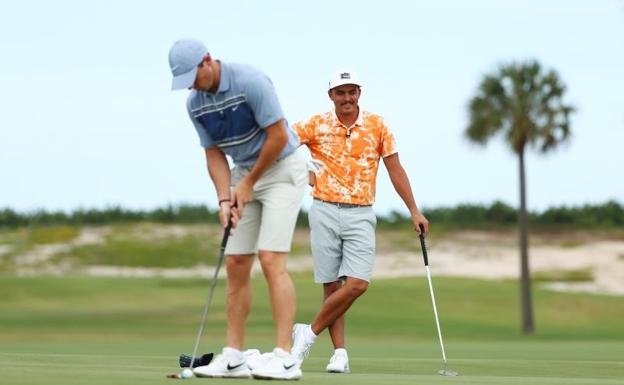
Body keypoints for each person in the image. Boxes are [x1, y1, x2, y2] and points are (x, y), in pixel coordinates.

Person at [168, 38, 308, 380]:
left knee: (271, 259)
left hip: (282, 168)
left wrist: (247, 185)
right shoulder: (194, 104)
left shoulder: (250, 82)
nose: (191, 83)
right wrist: (224, 197)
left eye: (192, 75)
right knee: (236, 261)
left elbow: (277, 136)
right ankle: (233, 356)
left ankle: (285, 358)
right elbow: (213, 153)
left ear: (207, 61)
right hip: (242, 173)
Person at [291, 69, 429, 373]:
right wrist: (305, 171)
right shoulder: (315, 124)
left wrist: (414, 210)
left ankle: (308, 333)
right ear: (331, 96)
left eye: (352, 91)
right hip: (324, 208)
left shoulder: (377, 125)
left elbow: (395, 169)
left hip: (361, 212)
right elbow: (281, 143)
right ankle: (339, 353)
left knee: (357, 284)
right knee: (331, 285)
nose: (347, 98)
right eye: (340, 92)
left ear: (359, 94)